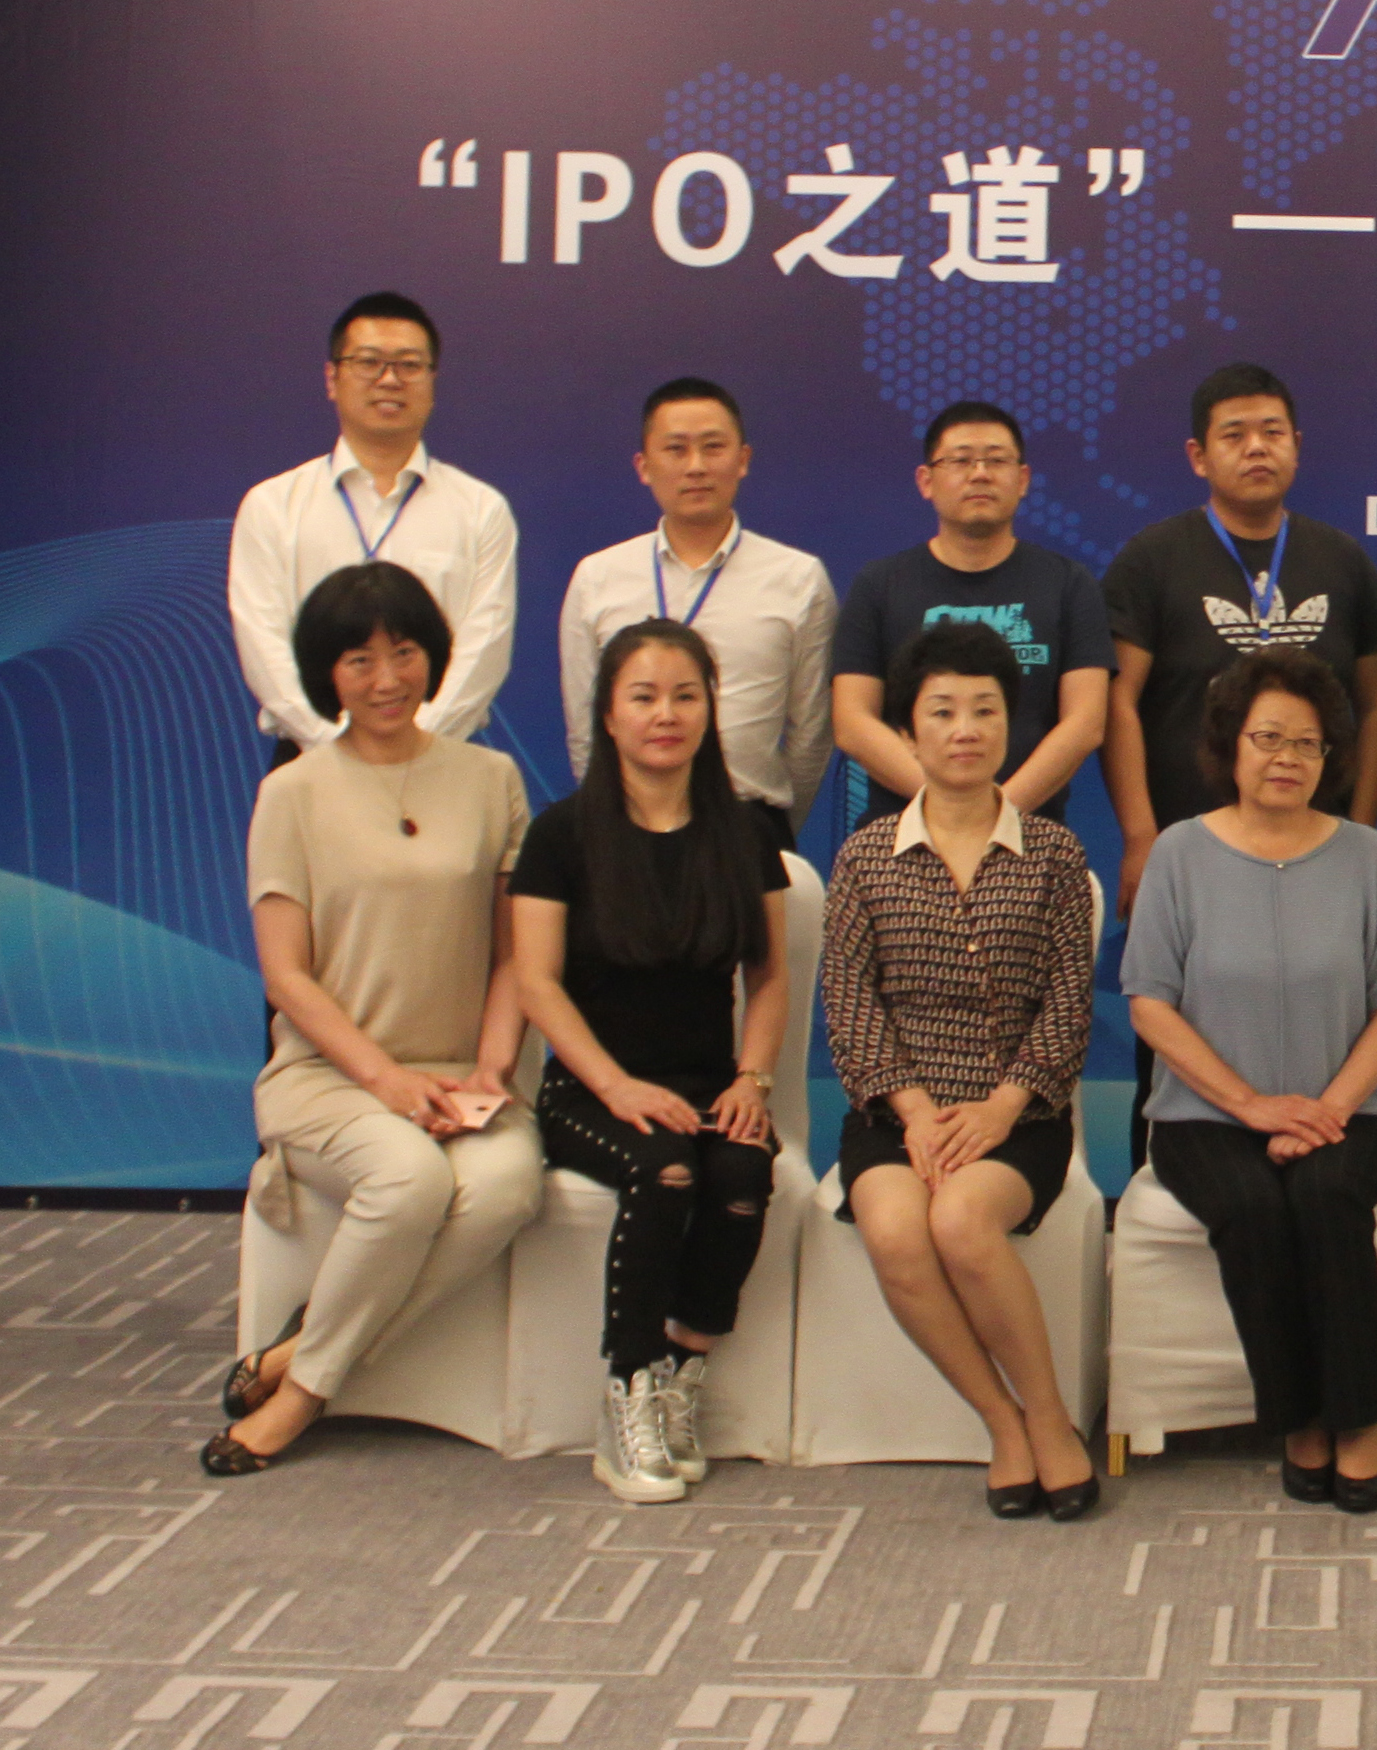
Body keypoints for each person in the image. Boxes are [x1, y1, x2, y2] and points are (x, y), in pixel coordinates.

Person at [210, 562, 543, 1475]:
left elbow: (514, 954)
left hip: (464, 1076)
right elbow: (286, 975)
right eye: (359, 660)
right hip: (329, 1077)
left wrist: (492, 1067)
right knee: (409, 1181)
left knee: (507, 1187)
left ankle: (295, 1355)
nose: (387, 678)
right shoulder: (294, 792)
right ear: (328, 674)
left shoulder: (491, 777)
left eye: (404, 652)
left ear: (433, 656)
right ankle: (304, 1399)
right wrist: (386, 1081)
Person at [1121, 650, 1377, 1516]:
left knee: (1326, 1199)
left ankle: (1359, 1421)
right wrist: (1251, 1106)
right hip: (1204, 1118)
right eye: (1268, 738)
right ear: (1231, 745)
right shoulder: (1180, 853)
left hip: (1346, 1110)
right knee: (1251, 1208)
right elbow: (1150, 1005)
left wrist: (1326, 1110)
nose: (1288, 757)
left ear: (1331, 757)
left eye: (1308, 743)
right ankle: (1299, 1423)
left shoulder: (1366, 857)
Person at [821, 623, 1103, 1521]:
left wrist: (1000, 1108)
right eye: (942, 712)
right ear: (909, 731)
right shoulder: (865, 855)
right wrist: (914, 1112)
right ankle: (1003, 1424)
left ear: (1010, 726)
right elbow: (849, 1003)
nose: (965, 729)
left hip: (1019, 1115)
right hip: (894, 1114)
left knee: (962, 1220)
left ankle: (1050, 1419)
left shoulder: (1054, 854)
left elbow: (1068, 1004)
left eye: (984, 710)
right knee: (899, 1233)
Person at [515, 620, 793, 1502]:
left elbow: (770, 976)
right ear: (607, 715)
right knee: (667, 1171)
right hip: (590, 1088)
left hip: (708, 1082)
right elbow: (535, 982)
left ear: (711, 709)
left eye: (684, 696)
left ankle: (680, 1373)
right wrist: (615, 1085)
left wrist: (752, 1081)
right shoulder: (561, 835)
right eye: (643, 697)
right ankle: (628, 1390)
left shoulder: (744, 832)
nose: (665, 715)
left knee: (742, 1173)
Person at [1109, 364, 1377, 914]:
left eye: (1272, 432)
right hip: (1186, 843)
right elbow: (1117, 700)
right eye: (1234, 435)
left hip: (1318, 845)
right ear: (1199, 456)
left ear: (1297, 446)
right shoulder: (1151, 560)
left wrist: (1359, 832)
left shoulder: (1343, 561)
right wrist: (1141, 837)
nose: (1257, 448)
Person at [229, 293, 518, 758]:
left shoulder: (480, 510)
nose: (389, 379)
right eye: (368, 362)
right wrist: (337, 749)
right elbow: (265, 649)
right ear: (332, 378)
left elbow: (483, 652)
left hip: (439, 759)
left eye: (409, 365)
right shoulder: (272, 506)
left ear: (432, 380)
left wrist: (413, 747)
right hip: (310, 759)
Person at [559, 378, 838, 851]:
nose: (696, 466)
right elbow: (585, 726)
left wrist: (769, 826)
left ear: (743, 459)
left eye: (713, 447)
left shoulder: (798, 579)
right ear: (644, 466)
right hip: (624, 828)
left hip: (748, 825)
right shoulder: (598, 577)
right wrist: (612, 820)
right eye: (676, 449)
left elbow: (811, 732)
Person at [831, 402, 1110, 825]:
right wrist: (949, 806)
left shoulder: (1069, 584)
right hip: (903, 832)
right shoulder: (879, 585)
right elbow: (853, 722)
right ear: (926, 481)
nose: (980, 474)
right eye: (960, 461)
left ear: (1023, 480)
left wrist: (1000, 813)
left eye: (996, 460)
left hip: (1030, 831)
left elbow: (1085, 722)